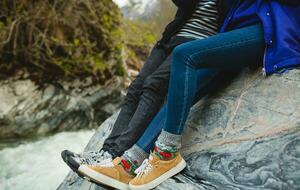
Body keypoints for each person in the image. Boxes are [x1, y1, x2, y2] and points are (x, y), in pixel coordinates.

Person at [75, 0, 300, 190]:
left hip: (268, 29)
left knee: (185, 56)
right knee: (184, 89)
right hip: (232, 34)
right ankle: (129, 163)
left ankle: (166, 154)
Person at [61, 0, 229, 177]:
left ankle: (115, 154)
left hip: (195, 44)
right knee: (135, 88)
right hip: (171, 38)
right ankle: (106, 151)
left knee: (154, 86)